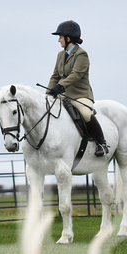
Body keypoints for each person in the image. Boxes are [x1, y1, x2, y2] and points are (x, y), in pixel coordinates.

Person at [47, 20, 109, 156]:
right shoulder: (60, 55)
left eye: (60, 37)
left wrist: (60, 86)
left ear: (68, 38)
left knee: (86, 114)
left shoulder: (82, 55)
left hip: (80, 95)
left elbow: (76, 75)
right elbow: (55, 76)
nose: (58, 40)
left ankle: (102, 144)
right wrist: (48, 93)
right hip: (64, 95)